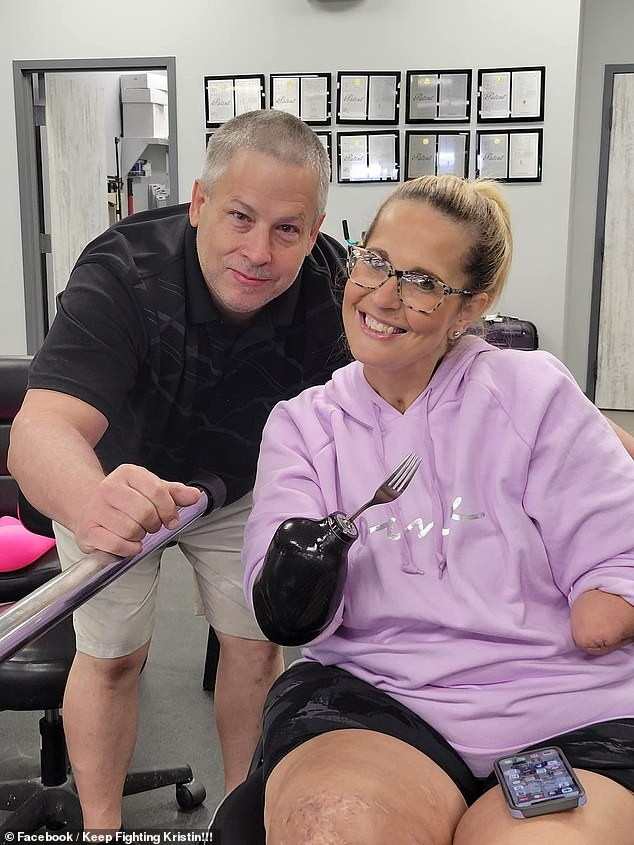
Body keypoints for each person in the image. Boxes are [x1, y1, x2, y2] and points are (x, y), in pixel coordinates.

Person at [241, 174, 634, 844]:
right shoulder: (305, 427)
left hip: (568, 715)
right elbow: (281, 607)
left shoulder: (532, 395)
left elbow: (612, 573)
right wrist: (299, 570)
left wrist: (608, 597)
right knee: (332, 828)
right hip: (376, 701)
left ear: (468, 308)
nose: (384, 296)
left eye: (423, 281)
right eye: (376, 262)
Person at [8, 109, 350, 832]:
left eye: (287, 229)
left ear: (314, 230)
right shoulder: (122, 271)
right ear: (199, 203)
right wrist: (88, 496)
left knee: (255, 651)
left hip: (237, 486)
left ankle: (240, 820)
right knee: (111, 658)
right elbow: (41, 430)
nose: (258, 251)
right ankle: (103, 828)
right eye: (240, 217)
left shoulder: (330, 285)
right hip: (114, 482)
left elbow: (407, 380)